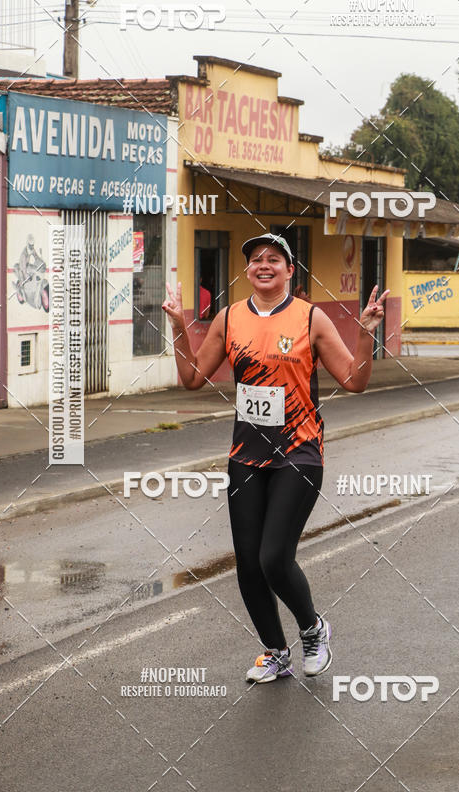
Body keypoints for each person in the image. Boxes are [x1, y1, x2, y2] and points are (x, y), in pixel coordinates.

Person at [162, 233, 388, 684]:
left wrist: (365, 333)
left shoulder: (311, 318)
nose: (263, 265)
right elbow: (190, 378)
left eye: (274, 259)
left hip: (299, 455)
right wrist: (177, 326)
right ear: (247, 272)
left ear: (290, 270)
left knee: (272, 558)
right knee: (247, 564)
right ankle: (275, 651)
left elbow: (354, 381)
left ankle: (312, 628)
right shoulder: (230, 318)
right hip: (246, 457)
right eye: (256, 260)